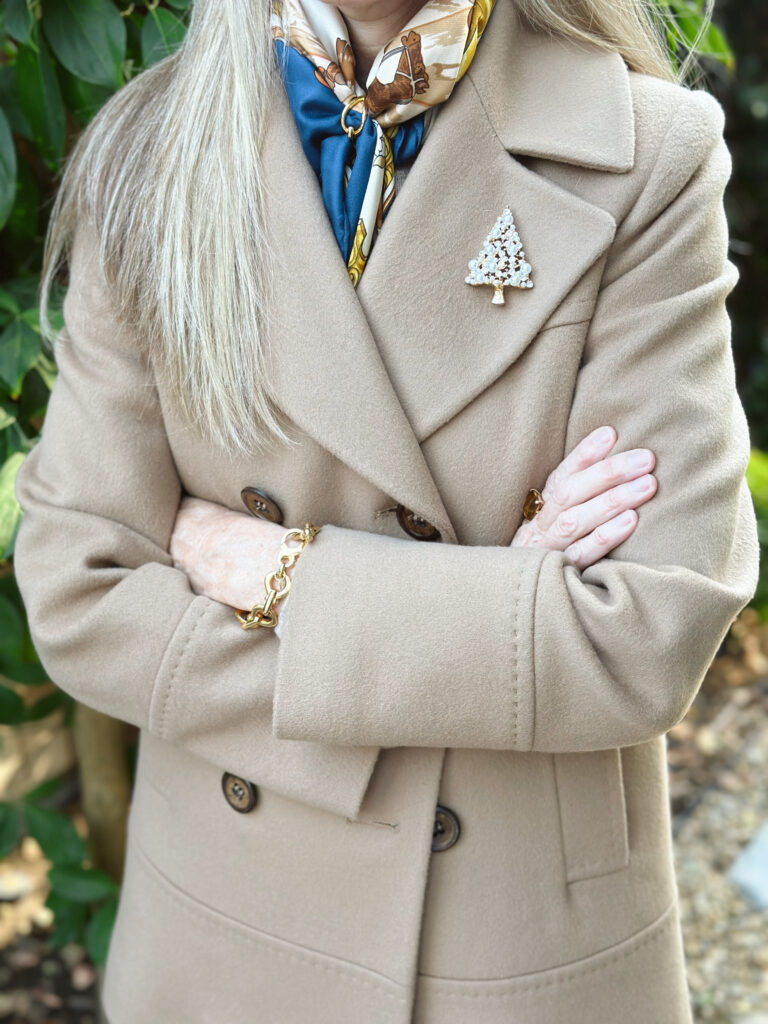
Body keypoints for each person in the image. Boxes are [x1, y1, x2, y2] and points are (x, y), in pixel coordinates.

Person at [11, 0, 760, 1021]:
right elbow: (79, 594)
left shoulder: (644, 154)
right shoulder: (150, 153)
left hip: (513, 937)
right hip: (225, 932)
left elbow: (644, 637)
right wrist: (500, 604)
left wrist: (285, 576)